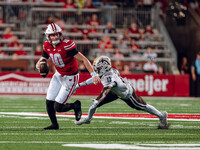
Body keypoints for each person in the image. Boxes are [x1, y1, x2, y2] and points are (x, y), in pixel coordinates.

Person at [74, 56, 169, 129]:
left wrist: (97, 100)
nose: (96, 70)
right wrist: (78, 85)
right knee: (94, 105)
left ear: (105, 67)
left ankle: (161, 115)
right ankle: (88, 119)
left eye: (98, 68)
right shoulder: (107, 72)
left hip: (126, 93)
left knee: (142, 106)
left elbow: (106, 90)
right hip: (114, 91)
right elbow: (95, 79)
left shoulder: (109, 76)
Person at [36, 23, 100, 130]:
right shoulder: (47, 45)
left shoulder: (67, 45)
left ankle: (75, 105)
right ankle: (54, 125)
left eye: (57, 34)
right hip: (58, 75)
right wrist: (39, 64)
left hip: (70, 78)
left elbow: (84, 59)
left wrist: (93, 75)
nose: (56, 37)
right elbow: (43, 58)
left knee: (58, 107)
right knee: (49, 101)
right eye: (53, 35)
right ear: (48, 36)